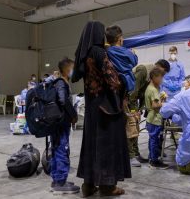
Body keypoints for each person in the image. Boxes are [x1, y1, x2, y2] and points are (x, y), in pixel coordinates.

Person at [73, 21, 131, 197]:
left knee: (91, 146)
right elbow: (112, 79)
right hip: (106, 110)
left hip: (91, 109)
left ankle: (88, 185)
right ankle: (107, 187)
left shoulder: (84, 54)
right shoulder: (99, 52)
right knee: (107, 146)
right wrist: (125, 83)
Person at [128, 59, 170, 167]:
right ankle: (130, 155)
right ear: (158, 67)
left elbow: (142, 94)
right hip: (127, 100)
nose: (162, 77)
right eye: (162, 74)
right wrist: (134, 110)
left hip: (134, 102)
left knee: (136, 128)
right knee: (131, 127)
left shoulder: (151, 80)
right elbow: (133, 91)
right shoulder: (143, 70)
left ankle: (135, 153)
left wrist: (141, 108)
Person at [49, 58, 80, 194]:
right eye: (73, 68)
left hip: (57, 123)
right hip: (61, 124)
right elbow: (63, 100)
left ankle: (57, 180)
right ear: (67, 70)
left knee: (56, 149)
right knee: (62, 149)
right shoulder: (61, 83)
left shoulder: (58, 82)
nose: (74, 71)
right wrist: (73, 115)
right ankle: (61, 182)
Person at [145, 67, 169, 169]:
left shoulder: (149, 88)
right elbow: (155, 106)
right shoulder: (154, 90)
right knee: (154, 140)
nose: (161, 80)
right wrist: (163, 104)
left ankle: (152, 159)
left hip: (151, 119)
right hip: (154, 119)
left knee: (152, 139)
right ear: (154, 77)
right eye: (160, 78)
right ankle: (154, 161)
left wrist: (161, 99)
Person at [106, 25, 138, 93]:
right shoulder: (126, 51)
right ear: (119, 38)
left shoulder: (107, 51)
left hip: (115, 82)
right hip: (128, 82)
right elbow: (135, 62)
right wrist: (133, 53)